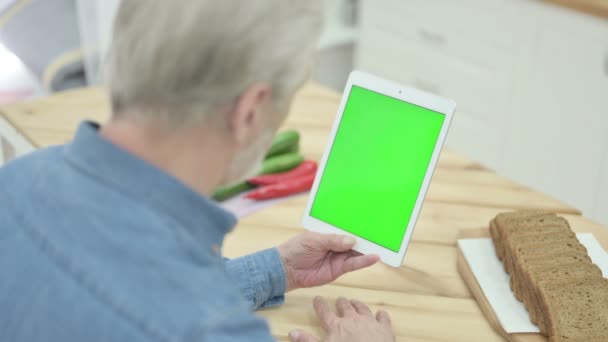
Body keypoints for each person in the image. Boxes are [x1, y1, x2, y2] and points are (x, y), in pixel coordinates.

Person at [0, 1, 396, 342]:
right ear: (251, 110)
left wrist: (276, 270)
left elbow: (127, 290)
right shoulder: (210, 330)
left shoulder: (13, 182)